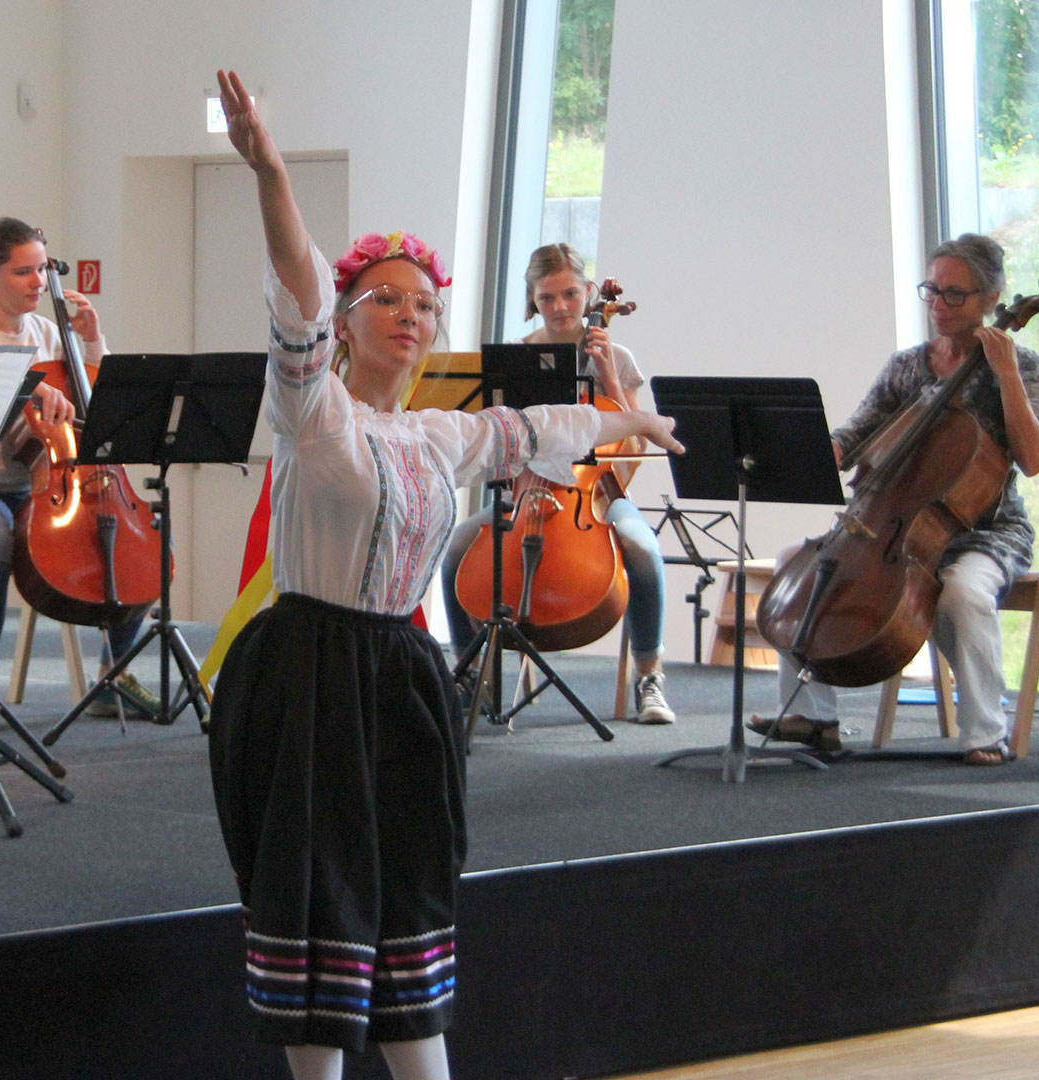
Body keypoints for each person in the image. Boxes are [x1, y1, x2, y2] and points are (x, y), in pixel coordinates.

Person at [206, 71, 684, 1080]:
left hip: (400, 676)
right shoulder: (311, 410)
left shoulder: (434, 435)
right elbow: (296, 281)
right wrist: (272, 171)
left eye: (424, 303)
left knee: (410, 894)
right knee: (318, 893)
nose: (409, 315)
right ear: (344, 322)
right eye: (385, 299)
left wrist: (629, 414)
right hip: (307, 672)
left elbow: (536, 429)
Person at [753, 233, 1039, 765]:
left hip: (985, 531)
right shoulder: (907, 366)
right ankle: (813, 717)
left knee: (962, 592)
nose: (938, 304)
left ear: (991, 298)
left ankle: (985, 732)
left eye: (954, 294)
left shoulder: (1020, 365)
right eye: (932, 290)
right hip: (892, 527)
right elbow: (855, 434)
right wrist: (817, 448)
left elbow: (1033, 457)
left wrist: (1006, 374)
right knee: (795, 564)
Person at [0, 216, 156, 716]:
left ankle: (112, 676)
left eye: (43, 270)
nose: (38, 282)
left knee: (146, 542)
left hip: (49, 485)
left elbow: (96, 399)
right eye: (23, 272)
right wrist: (27, 383)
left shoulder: (50, 331)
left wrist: (92, 340)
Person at [439, 243, 675, 723]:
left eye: (570, 294)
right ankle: (471, 676)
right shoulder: (516, 357)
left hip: (597, 496)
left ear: (588, 292)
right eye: (547, 297)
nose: (561, 307)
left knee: (643, 550)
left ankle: (649, 676)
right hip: (526, 491)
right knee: (457, 549)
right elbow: (496, 439)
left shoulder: (617, 357)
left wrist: (608, 377)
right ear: (532, 299)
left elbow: (632, 448)